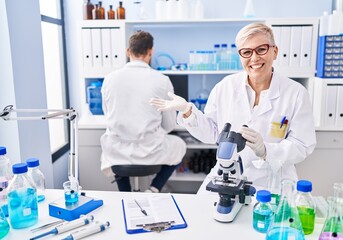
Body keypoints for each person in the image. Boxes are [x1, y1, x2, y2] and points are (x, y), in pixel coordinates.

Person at [149, 23, 316, 193]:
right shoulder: (225, 87)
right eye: (246, 52)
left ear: (275, 51)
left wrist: (266, 150)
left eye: (261, 49)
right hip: (227, 174)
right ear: (240, 55)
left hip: (274, 180)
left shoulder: (296, 93)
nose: (254, 58)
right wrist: (188, 112)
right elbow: (212, 133)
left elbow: (302, 145)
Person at [100, 30, 186, 193]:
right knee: (179, 145)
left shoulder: (110, 78)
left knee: (112, 145)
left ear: (128, 51)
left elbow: (108, 115)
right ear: (150, 52)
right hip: (150, 150)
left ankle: (124, 192)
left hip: (117, 150)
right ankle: (153, 189)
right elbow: (168, 126)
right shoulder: (162, 80)